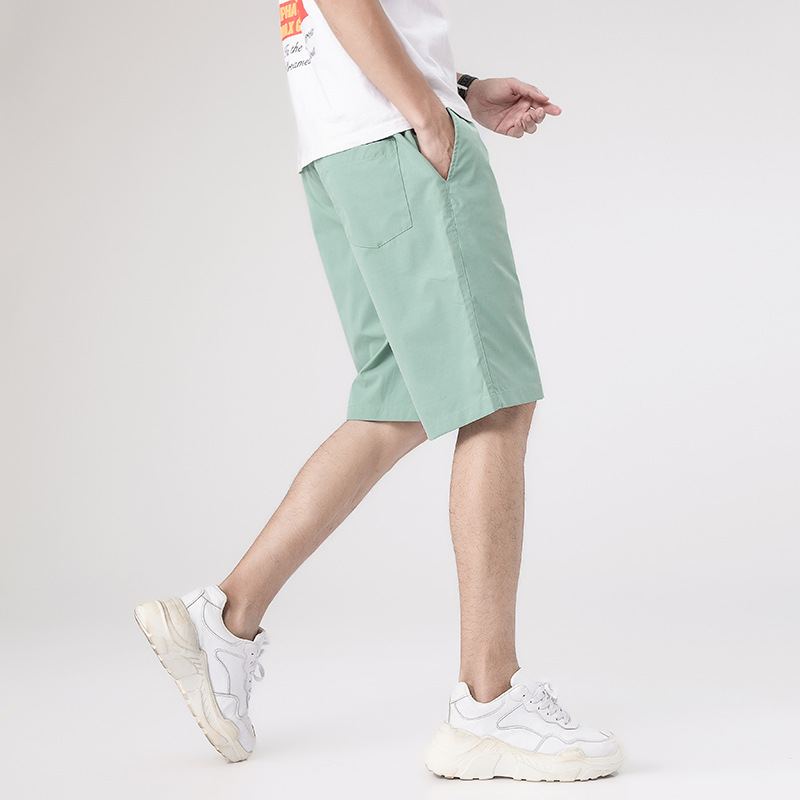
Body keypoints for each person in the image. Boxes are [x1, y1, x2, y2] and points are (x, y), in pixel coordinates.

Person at [134, 0, 626, 782]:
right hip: (393, 134)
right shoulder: (409, 119)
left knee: (398, 397)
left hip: (344, 147)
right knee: (496, 397)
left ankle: (225, 617)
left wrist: (454, 86)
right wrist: (425, 111)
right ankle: (489, 703)